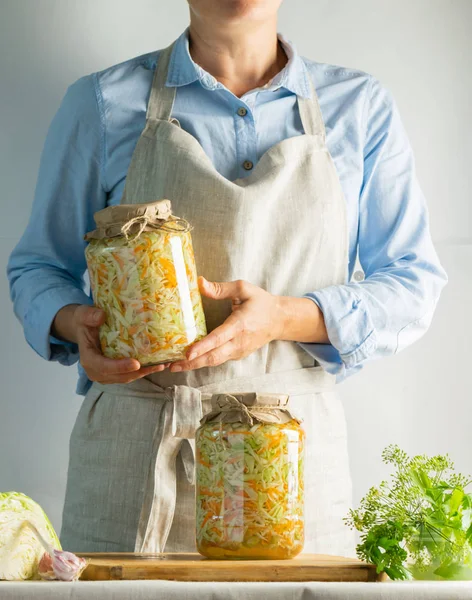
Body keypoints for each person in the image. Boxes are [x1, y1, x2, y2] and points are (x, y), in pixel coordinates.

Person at [7, 0, 447, 556]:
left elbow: (413, 282)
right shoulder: (101, 103)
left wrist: (283, 317)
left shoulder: (358, 107)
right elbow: (39, 266)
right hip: (135, 456)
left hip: (290, 463)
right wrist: (78, 324)